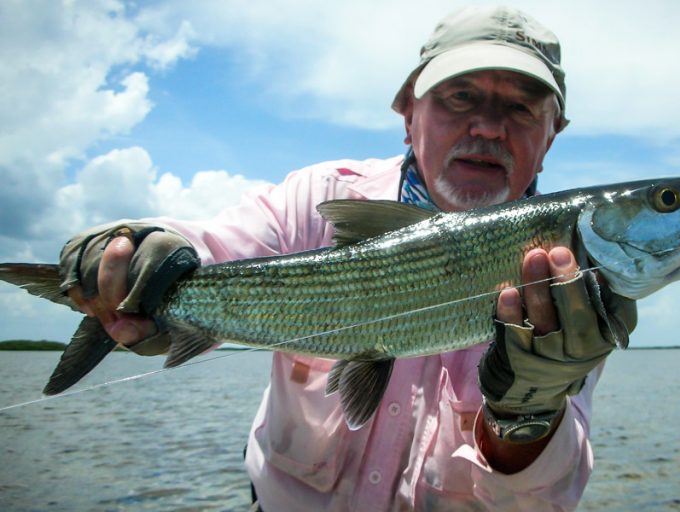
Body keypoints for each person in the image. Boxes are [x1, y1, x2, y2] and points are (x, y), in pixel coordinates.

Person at [60, 6, 636, 511]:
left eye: (521, 107)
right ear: (408, 114)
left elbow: (539, 498)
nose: (487, 127)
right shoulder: (319, 197)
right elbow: (211, 247)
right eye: (460, 97)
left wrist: (528, 412)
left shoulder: (572, 270)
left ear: (552, 134)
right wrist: (134, 250)